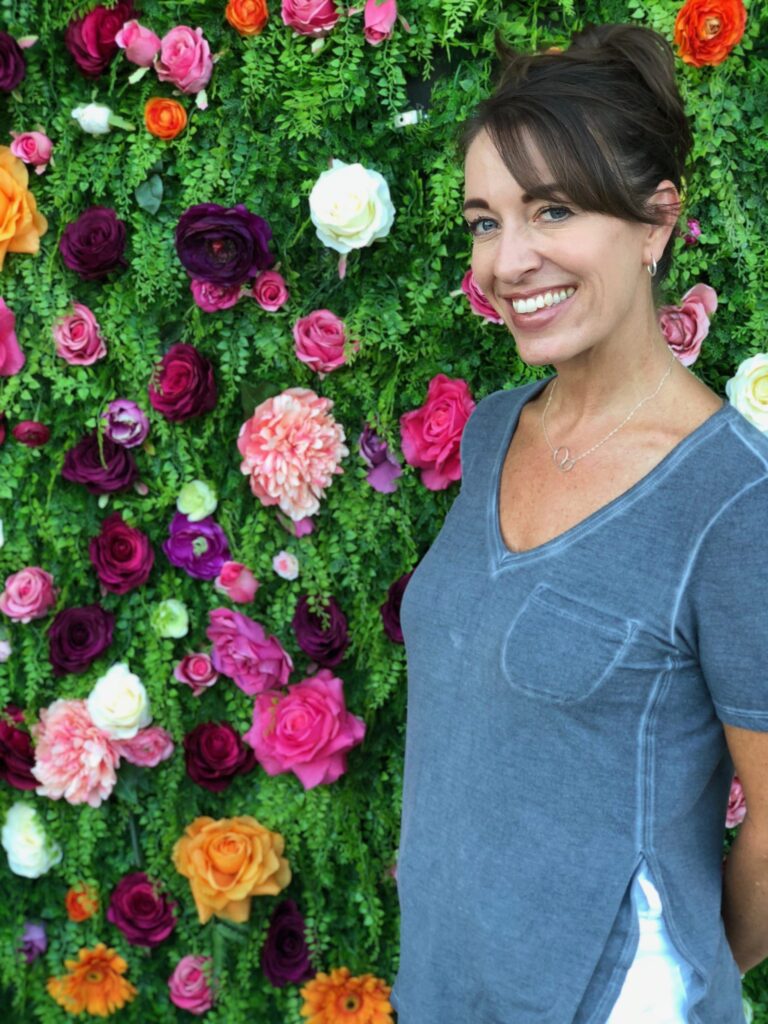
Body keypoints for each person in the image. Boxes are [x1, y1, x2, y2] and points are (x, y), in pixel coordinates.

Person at [391, 23, 768, 1024]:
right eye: (484, 220)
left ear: (655, 223)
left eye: (552, 209)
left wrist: (678, 980)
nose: (508, 260)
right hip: (441, 988)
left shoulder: (736, 504)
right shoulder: (494, 429)